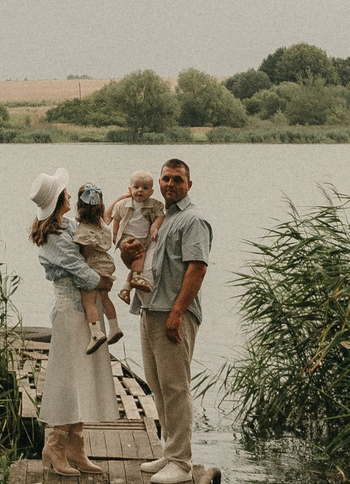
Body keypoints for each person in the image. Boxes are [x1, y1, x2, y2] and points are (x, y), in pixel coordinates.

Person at [29, 168, 118, 476]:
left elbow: (91, 238)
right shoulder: (52, 237)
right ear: (57, 202)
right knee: (66, 380)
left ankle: (76, 447)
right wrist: (103, 283)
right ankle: (54, 448)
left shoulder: (67, 224)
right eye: (65, 193)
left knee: (82, 377)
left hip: (85, 310)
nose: (70, 195)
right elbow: (78, 268)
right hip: (70, 312)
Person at [134, 158, 209, 484]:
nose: (169, 184)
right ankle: (169, 451)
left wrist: (177, 313)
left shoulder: (193, 220)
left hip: (172, 313)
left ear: (188, 184)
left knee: (176, 387)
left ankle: (181, 462)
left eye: (177, 179)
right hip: (151, 309)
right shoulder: (163, 219)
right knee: (158, 386)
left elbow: (197, 268)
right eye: (165, 179)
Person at [71, 182, 125, 354]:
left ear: (80, 206)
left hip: (95, 265)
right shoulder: (102, 224)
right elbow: (109, 214)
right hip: (108, 264)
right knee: (104, 296)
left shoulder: (85, 230)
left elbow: (87, 253)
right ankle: (114, 327)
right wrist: (124, 196)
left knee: (89, 300)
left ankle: (95, 333)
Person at [107, 170, 165, 307]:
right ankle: (138, 278)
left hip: (144, 238)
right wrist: (115, 237)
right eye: (136, 187)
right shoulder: (123, 204)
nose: (140, 191)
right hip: (127, 238)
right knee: (139, 252)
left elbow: (160, 215)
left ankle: (125, 289)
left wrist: (155, 226)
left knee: (141, 261)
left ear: (151, 191)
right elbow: (116, 219)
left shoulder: (155, 204)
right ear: (130, 189)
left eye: (145, 188)